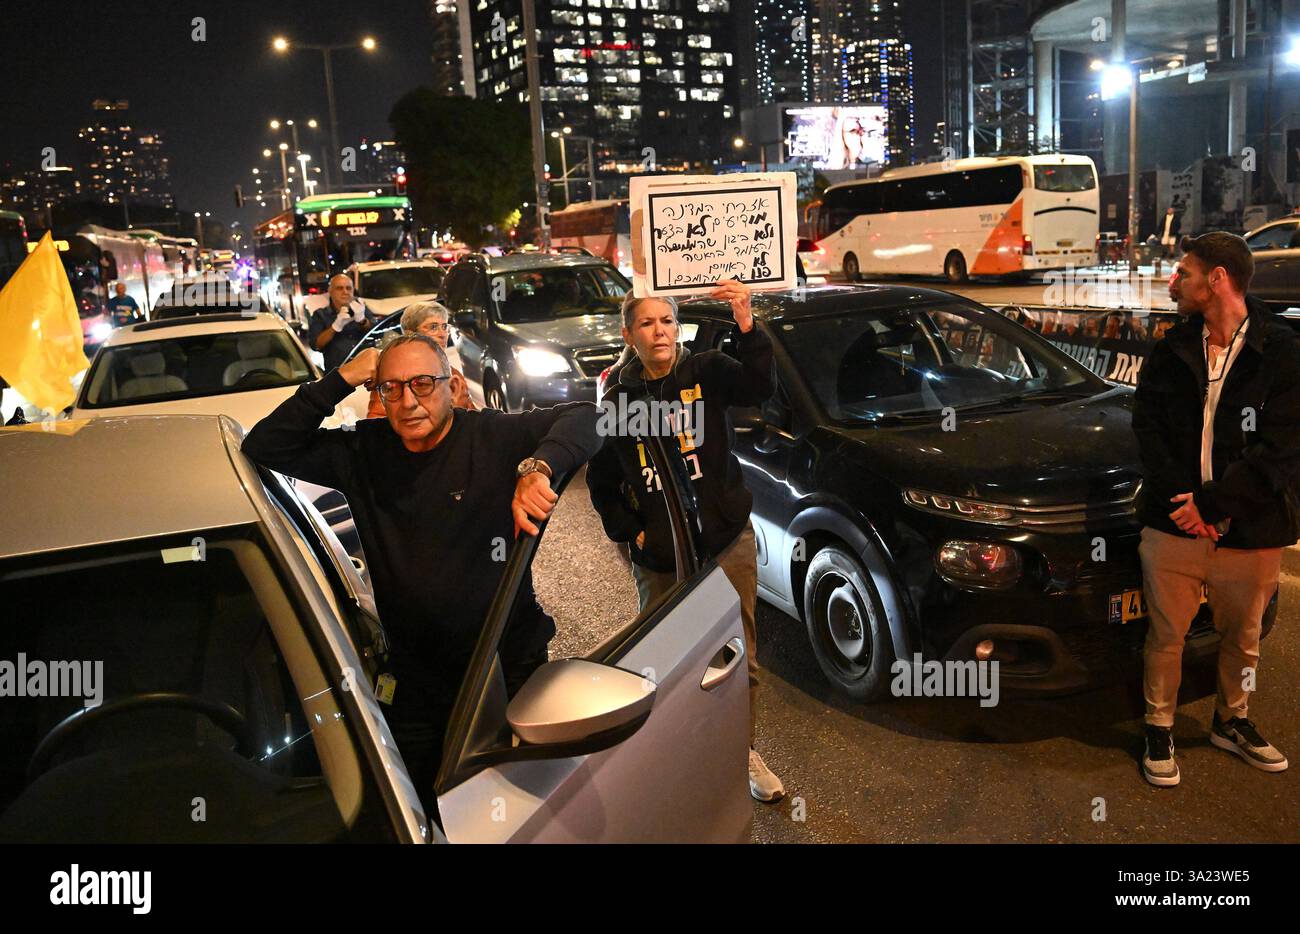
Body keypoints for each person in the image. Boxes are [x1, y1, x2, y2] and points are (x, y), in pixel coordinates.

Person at [242, 333, 602, 808]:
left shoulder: (490, 436)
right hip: (416, 681)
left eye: (422, 384)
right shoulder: (363, 452)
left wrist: (539, 467)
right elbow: (267, 445)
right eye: (391, 388)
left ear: (452, 385)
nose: (408, 401)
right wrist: (342, 377)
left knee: (526, 804)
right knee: (420, 805)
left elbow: (592, 416)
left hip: (506, 664)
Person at [587, 278, 786, 803]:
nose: (661, 331)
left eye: (668, 321)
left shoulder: (706, 371)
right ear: (630, 334)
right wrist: (635, 530)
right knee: (661, 660)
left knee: (738, 656)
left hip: (726, 543)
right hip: (660, 557)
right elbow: (604, 483)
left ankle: (739, 751)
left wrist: (746, 319)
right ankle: (668, 755)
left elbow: (759, 387)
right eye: (648, 323)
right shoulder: (620, 397)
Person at [1131, 231, 1300, 787]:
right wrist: (1185, 504)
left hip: (1251, 527)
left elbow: (1279, 450)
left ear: (1218, 279)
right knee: (1166, 636)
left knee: (1244, 641)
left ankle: (1234, 721)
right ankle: (1159, 727)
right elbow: (1148, 429)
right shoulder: (1172, 344)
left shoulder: (1284, 351)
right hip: (1174, 521)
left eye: (1185, 272)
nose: (1174, 281)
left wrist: (1213, 504)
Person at [365, 301, 475, 417]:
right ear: (411, 334)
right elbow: (378, 424)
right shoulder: (392, 376)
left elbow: (474, 418)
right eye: (433, 327)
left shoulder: (454, 375)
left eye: (444, 326)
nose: (442, 334)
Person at [308, 273, 378, 372]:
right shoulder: (321, 315)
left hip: (366, 371)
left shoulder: (362, 308)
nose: (345, 292)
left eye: (349, 288)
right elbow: (316, 345)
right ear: (330, 291)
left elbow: (378, 333)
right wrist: (335, 327)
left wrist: (363, 321)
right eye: (339, 288)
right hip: (338, 375)